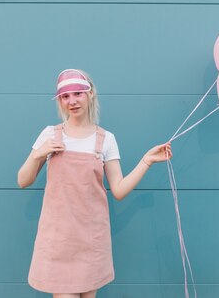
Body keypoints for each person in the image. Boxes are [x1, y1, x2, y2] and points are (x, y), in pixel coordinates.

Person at [18, 68, 172, 298]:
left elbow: (118, 189)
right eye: (65, 96)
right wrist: (38, 154)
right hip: (59, 238)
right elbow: (23, 180)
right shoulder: (50, 135)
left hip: (91, 240)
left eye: (78, 93)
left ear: (90, 95)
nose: (72, 101)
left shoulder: (106, 139)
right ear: (60, 101)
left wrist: (146, 160)